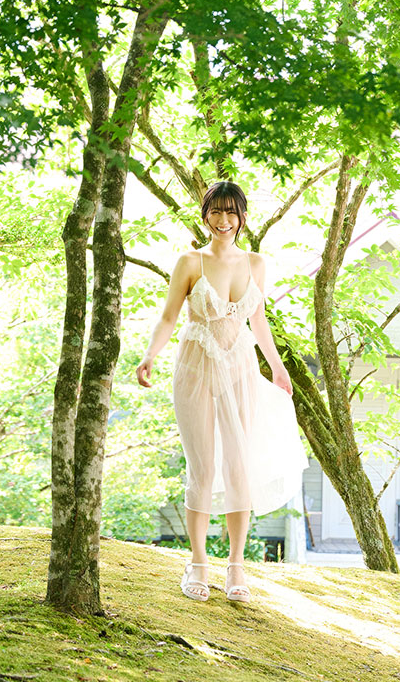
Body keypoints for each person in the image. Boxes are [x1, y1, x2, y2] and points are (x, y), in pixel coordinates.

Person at [136, 180, 309, 604]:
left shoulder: (256, 263)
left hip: (241, 367)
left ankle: (236, 566)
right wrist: (150, 355)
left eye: (231, 212)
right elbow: (169, 317)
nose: (223, 220)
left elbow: (259, 321)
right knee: (202, 466)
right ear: (205, 215)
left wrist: (278, 368)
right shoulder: (189, 261)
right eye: (216, 211)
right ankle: (197, 562)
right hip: (195, 366)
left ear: (242, 217)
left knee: (237, 466)